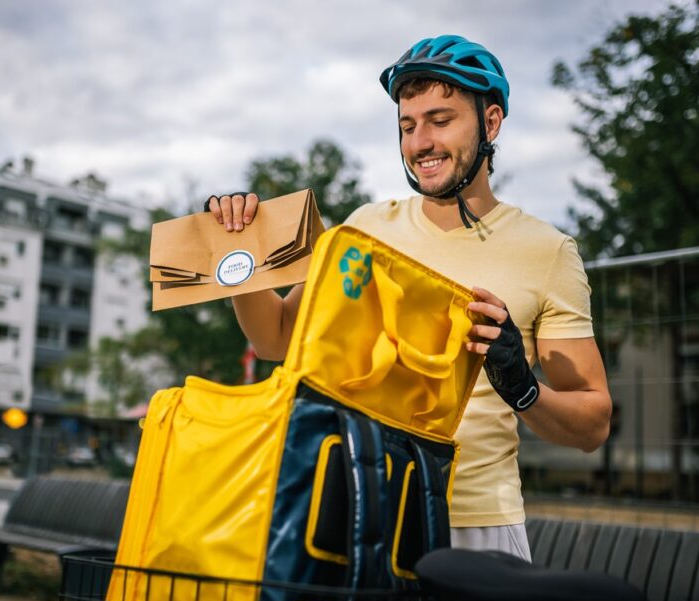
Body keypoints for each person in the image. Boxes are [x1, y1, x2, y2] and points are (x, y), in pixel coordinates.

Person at [207, 34, 610, 568]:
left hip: (476, 525)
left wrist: (523, 388)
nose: (421, 142)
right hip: (358, 513)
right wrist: (243, 253)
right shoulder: (367, 228)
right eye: (407, 125)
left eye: (441, 121)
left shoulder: (547, 252)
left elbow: (593, 422)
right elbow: (276, 336)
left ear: (490, 123)